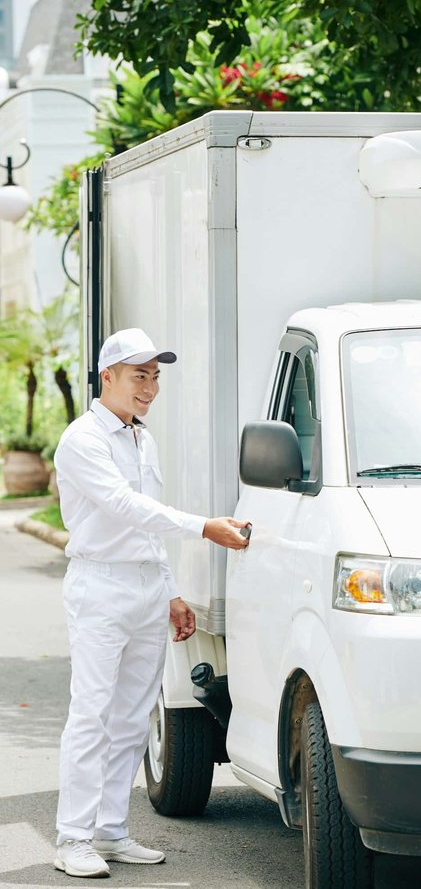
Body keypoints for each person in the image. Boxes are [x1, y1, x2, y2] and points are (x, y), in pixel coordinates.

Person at [53, 328, 249, 879]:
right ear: (107, 376)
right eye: (140, 375)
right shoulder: (82, 439)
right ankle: (72, 838)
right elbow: (123, 507)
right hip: (99, 586)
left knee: (134, 718)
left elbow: (147, 525)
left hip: (142, 585)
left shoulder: (142, 438)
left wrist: (170, 591)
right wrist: (205, 527)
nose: (150, 387)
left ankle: (111, 832)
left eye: (156, 376)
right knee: (92, 713)